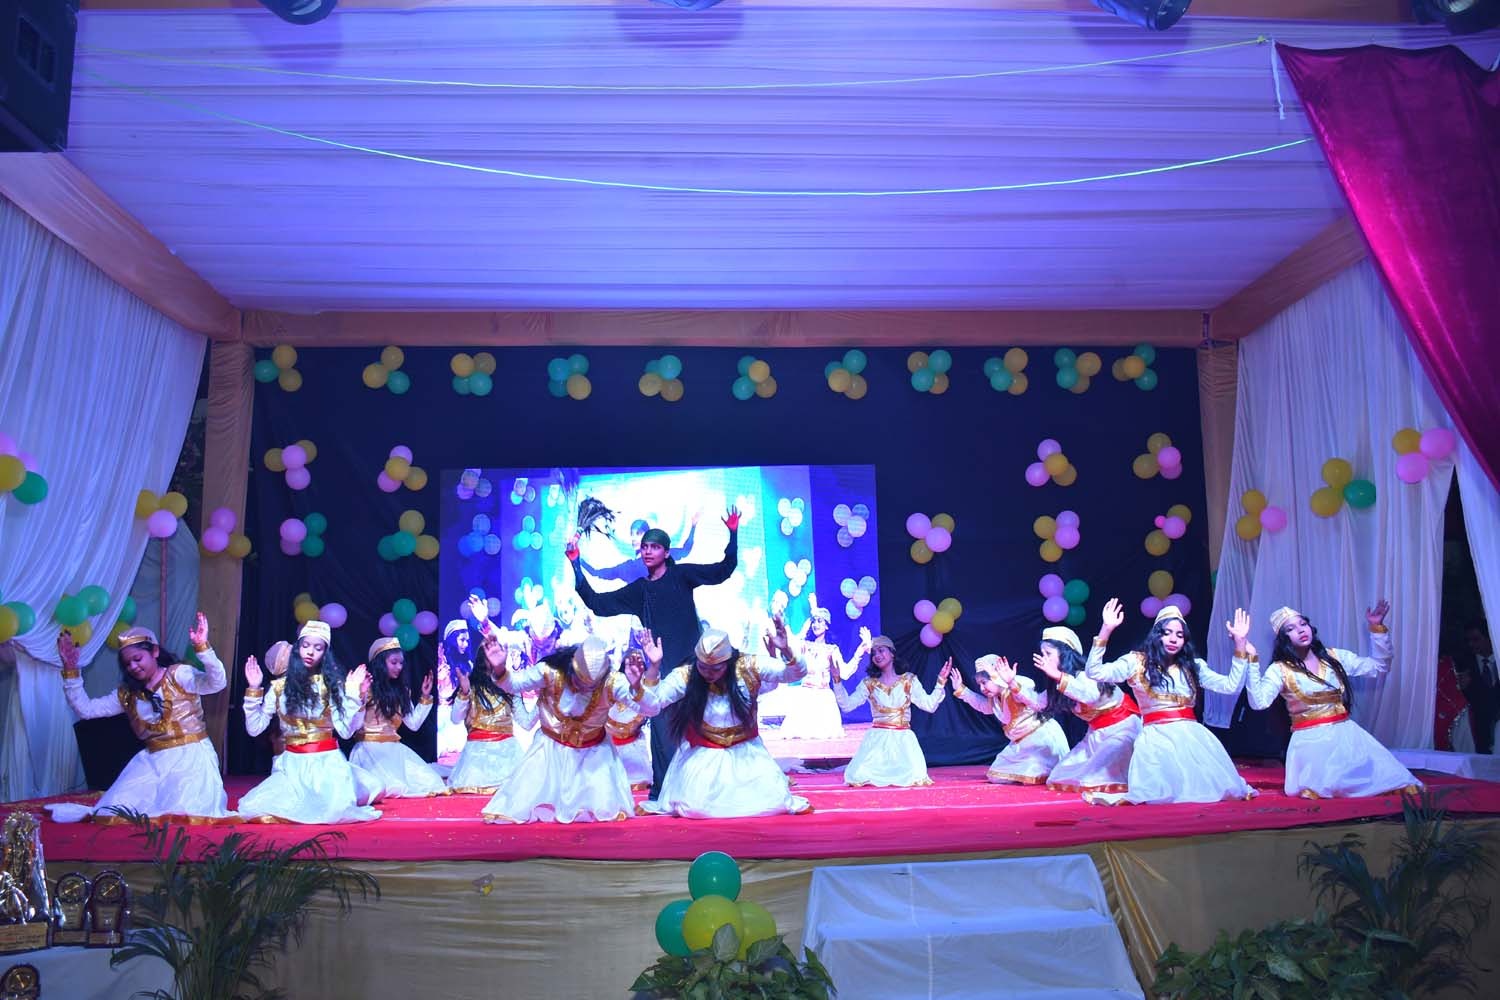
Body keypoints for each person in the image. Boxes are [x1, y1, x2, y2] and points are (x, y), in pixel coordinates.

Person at [569, 507, 740, 796]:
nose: (648, 551)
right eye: (645, 546)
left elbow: (724, 570)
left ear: (666, 552)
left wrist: (733, 534)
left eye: (655, 547)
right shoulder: (640, 590)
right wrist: (575, 564)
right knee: (662, 734)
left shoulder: (682, 575)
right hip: (659, 671)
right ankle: (664, 790)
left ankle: (710, 788)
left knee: (703, 727)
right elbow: (597, 603)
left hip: (694, 668)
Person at [46, 614, 234, 824]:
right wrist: (71, 670)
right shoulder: (128, 695)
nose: (133, 667)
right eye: (127, 664)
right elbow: (86, 710)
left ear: (155, 652)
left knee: (182, 814)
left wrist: (203, 648)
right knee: (114, 811)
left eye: (137, 659)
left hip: (192, 759)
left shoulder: (178, 675)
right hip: (153, 762)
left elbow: (217, 683)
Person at [473, 598, 646, 823]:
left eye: (592, 685)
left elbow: (651, 708)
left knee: (600, 812)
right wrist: (498, 666)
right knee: (519, 810)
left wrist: (638, 686)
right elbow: (513, 682)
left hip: (594, 756)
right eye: (581, 681)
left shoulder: (611, 680)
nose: (586, 688)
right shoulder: (548, 671)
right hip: (549, 751)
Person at [635, 620, 810, 817]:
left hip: (748, 755)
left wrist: (785, 649)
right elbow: (653, 705)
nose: (708, 673)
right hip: (704, 757)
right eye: (703, 667)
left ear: (728, 661)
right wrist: (654, 667)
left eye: (716, 669)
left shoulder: (748, 666)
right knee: (695, 809)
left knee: (774, 804)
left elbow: (794, 674)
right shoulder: (687, 675)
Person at [1244, 602, 1420, 798]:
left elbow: (1379, 667)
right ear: (1284, 639)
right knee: (1328, 785)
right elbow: (1258, 702)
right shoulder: (1280, 670)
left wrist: (1376, 628)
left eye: (1303, 624)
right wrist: (1252, 661)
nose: (1301, 630)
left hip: (1347, 737)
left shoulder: (1334, 658)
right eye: (1291, 629)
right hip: (1311, 743)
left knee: (1392, 780)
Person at [1085, 601, 1254, 804]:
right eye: (1167, 633)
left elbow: (1231, 686)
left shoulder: (1193, 666)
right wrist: (1106, 629)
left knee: (1212, 791)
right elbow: (1094, 672)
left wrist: (1240, 645)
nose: (1173, 639)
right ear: (1156, 635)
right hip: (1156, 740)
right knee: (1159, 793)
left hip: (1193, 739)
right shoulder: (1136, 662)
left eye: (1180, 635)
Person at [239, 620, 381, 823]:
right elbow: (254, 729)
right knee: (254, 807)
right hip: (291, 766)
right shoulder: (279, 687)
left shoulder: (331, 685)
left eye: (318, 648)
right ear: (298, 648)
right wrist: (254, 689)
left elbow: (346, 731)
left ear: (325, 653)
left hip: (326, 764)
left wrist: (355, 697)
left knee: (337, 809)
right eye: (306, 646)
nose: (310, 652)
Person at [1029, 627, 1140, 802]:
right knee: (1059, 775)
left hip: (1122, 732)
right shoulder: (1059, 683)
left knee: (1095, 779)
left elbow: (1090, 695)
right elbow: (1038, 703)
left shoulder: (1085, 675)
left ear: (1064, 654)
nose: (1044, 658)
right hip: (1095, 736)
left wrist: (1059, 676)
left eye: (1048, 653)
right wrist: (1012, 684)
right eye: (1042, 654)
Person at [834, 636, 949, 787]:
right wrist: (837, 680)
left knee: (914, 775)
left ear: (892, 653)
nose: (877, 655)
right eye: (874, 653)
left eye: (881, 650)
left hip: (903, 742)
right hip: (877, 743)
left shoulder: (908, 680)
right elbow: (847, 705)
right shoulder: (869, 683)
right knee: (858, 775)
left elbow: (929, 705)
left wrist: (940, 682)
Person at [950, 647, 1070, 786]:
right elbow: (982, 706)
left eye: (984, 682)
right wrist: (962, 690)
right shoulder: (994, 699)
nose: (982, 688)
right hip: (1020, 744)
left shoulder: (1014, 687)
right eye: (979, 684)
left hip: (1041, 739)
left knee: (1031, 773)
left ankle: (1047, 769)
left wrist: (999, 677)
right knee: (996, 775)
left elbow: (1027, 685)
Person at [348, 636, 447, 798]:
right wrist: (359, 695)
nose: (399, 667)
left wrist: (424, 697)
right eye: (394, 662)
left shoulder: (401, 691)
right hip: (369, 750)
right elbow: (353, 725)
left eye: (401, 663)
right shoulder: (366, 688)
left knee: (431, 782)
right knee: (388, 786)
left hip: (395, 750)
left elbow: (413, 724)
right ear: (380, 663)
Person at [447, 628, 537, 794]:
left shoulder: (511, 687)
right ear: (483, 658)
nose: (496, 657)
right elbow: (455, 719)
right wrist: (464, 693)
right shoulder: (472, 685)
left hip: (507, 754)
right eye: (491, 653)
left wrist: (543, 700)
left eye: (500, 653)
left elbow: (526, 723)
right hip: (477, 756)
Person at [779, 606, 870, 740]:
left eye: (820, 621)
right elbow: (789, 657)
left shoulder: (831, 650)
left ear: (827, 626)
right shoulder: (804, 646)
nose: (816, 624)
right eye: (814, 621)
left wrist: (859, 652)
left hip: (823, 700)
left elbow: (844, 673)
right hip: (805, 698)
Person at [579, 512, 702, 584]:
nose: (633, 538)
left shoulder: (660, 556)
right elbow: (596, 573)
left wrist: (693, 526)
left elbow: (685, 550)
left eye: (638, 533)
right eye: (632, 534)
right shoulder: (628, 567)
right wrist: (578, 560)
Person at [607, 647, 653, 790]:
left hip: (634, 746)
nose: (635, 667)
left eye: (639, 663)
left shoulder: (648, 690)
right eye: (631, 663)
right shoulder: (613, 683)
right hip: (608, 745)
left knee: (639, 783)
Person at [1457, 619, 1497, 754]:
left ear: (1489, 637)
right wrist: (1460, 688)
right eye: (1468, 640)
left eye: (1476, 639)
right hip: (1476, 734)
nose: (1471, 644)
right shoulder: (1461, 664)